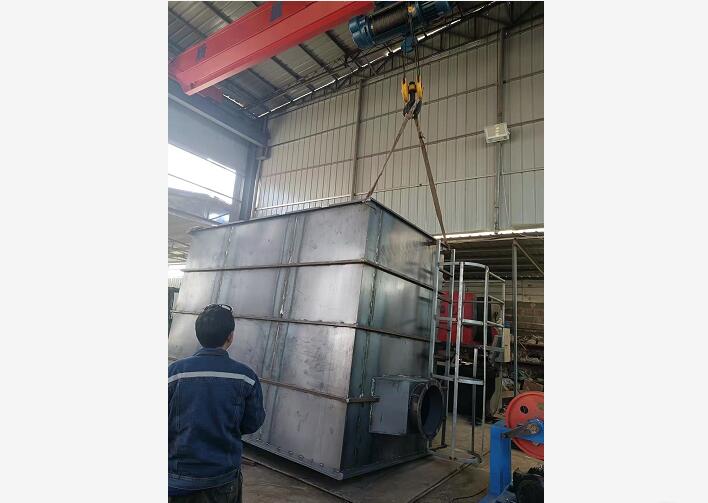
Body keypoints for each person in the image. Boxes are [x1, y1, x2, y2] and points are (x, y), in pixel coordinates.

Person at [169, 304, 266, 502]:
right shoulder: (246, 377)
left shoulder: (173, 373)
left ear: (198, 335)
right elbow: (252, 423)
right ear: (230, 337)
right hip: (222, 479)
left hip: (178, 479)